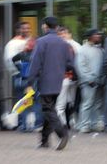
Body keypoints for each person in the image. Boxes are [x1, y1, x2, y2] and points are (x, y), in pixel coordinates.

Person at [26, 17, 73, 150]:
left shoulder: (41, 41)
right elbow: (70, 64)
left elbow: (35, 64)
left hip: (45, 80)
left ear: (45, 26)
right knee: (49, 109)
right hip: (59, 80)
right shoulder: (64, 43)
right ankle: (44, 141)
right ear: (57, 27)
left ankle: (62, 133)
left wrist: (30, 82)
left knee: (47, 109)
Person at [76, 29, 104, 133]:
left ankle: (94, 123)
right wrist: (88, 79)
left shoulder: (99, 49)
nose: (99, 36)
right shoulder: (82, 50)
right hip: (88, 82)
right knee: (87, 103)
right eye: (96, 34)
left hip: (98, 81)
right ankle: (84, 125)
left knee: (97, 104)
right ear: (90, 36)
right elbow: (81, 66)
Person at [12, 38, 43, 132]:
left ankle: (23, 125)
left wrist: (19, 68)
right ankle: (37, 124)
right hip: (34, 81)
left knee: (23, 103)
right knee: (37, 103)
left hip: (23, 79)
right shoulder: (38, 55)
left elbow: (13, 59)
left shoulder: (22, 54)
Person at [56, 26, 81, 128]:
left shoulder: (72, 46)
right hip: (63, 78)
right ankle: (62, 124)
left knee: (70, 102)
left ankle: (66, 122)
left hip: (71, 78)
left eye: (64, 34)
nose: (63, 36)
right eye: (60, 34)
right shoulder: (65, 47)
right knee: (61, 103)